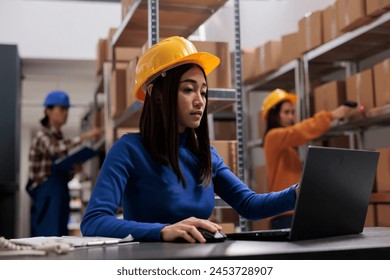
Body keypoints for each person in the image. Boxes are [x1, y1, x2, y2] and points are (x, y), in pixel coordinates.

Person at [81, 36, 299, 243]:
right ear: (156, 94)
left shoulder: (206, 156)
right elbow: (94, 221)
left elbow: (250, 205)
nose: (199, 101)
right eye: (188, 90)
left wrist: (298, 192)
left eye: (203, 93)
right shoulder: (129, 150)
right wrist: (162, 231)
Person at [261, 88, 354, 229]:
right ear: (274, 114)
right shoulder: (273, 137)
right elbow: (299, 132)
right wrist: (331, 115)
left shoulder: (287, 147)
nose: (291, 117)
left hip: (294, 212)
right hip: (284, 215)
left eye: (292, 112)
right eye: (286, 112)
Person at [27, 90, 102, 237]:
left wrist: (73, 169)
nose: (66, 113)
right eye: (62, 109)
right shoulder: (42, 135)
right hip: (46, 196)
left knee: (60, 236)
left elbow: (60, 169)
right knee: (47, 238)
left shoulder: (60, 137)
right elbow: (54, 149)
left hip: (60, 193)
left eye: (67, 109)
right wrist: (85, 137)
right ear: (47, 111)